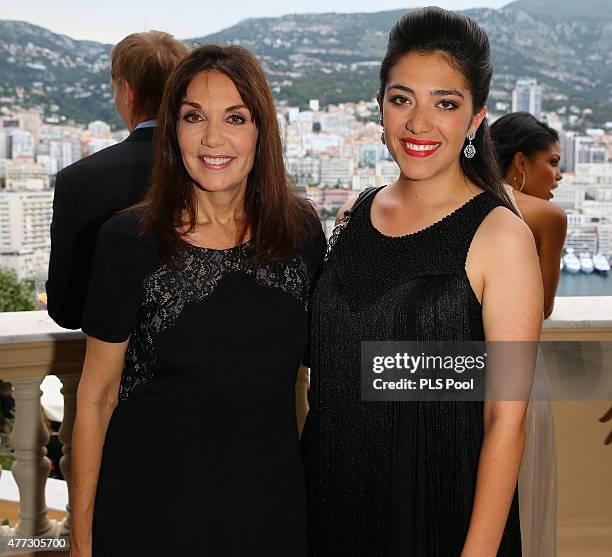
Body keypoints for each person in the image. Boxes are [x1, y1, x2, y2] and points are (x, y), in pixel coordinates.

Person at [301, 7, 543, 556]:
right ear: (381, 104)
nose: (418, 123)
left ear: (477, 117)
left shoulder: (500, 237)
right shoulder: (355, 215)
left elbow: (506, 416)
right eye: (402, 98)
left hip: (439, 515)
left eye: (446, 104)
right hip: (331, 502)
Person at [70, 45, 325, 557]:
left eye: (236, 117)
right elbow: (96, 399)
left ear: (262, 131)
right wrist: (81, 540)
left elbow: (331, 365)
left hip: (269, 511)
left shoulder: (300, 232)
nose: (213, 138)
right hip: (147, 512)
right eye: (194, 117)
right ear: (172, 130)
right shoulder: (128, 241)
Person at [47, 31, 187, 329]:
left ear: (127, 91)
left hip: (119, 366)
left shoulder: (79, 181)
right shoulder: (219, 169)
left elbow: (66, 310)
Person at [490, 112, 567, 318]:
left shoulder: (458, 197)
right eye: (553, 162)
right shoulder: (549, 216)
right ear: (521, 162)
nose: (559, 175)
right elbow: (542, 308)